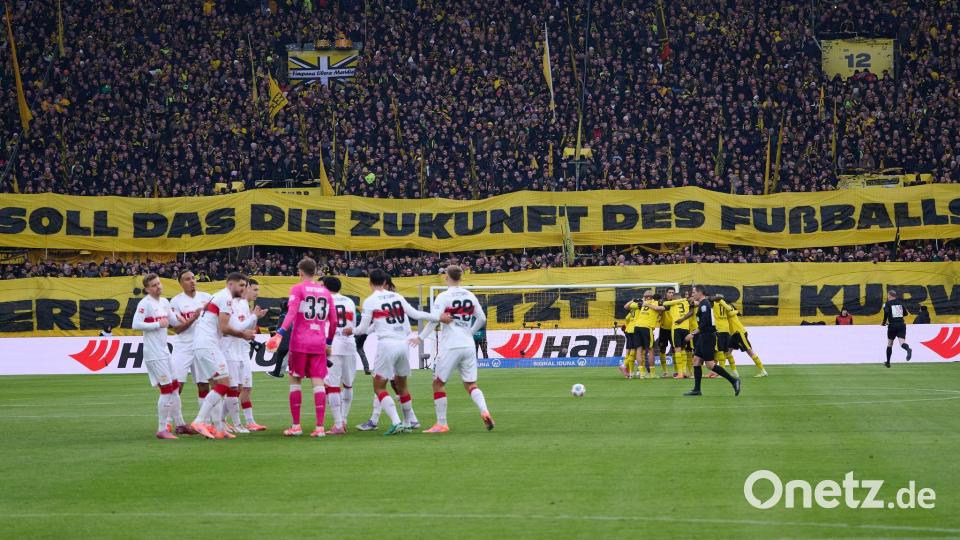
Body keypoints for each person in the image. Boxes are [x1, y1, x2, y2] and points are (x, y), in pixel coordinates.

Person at [344, 269, 450, 436]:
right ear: (385, 282)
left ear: (370, 282)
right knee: (402, 385)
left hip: (386, 345)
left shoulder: (370, 301)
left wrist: (352, 331)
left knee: (379, 386)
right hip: (403, 344)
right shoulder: (397, 296)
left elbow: (363, 328)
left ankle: (396, 422)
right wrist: (438, 317)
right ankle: (408, 422)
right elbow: (415, 314)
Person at [412, 265, 494, 433]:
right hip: (468, 344)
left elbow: (434, 320)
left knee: (438, 383)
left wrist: (420, 337)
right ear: (461, 278)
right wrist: (469, 332)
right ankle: (484, 411)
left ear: (446, 277)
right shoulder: (470, 295)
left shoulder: (443, 296)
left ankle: (441, 424)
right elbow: (482, 318)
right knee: (471, 384)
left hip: (451, 345)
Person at [266, 258, 338, 438]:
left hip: (299, 342)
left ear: (300, 271)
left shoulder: (297, 289)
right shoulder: (326, 292)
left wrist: (280, 332)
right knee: (318, 380)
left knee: (295, 380)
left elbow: (291, 313)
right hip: (318, 342)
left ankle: (296, 426)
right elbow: (334, 321)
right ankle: (320, 427)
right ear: (316, 272)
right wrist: (328, 342)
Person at [190, 272, 255, 439]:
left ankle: (219, 428)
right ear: (230, 284)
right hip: (209, 345)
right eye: (241, 285)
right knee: (225, 384)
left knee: (217, 386)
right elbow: (225, 328)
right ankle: (200, 421)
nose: (243, 289)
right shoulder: (225, 298)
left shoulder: (217, 296)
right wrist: (244, 335)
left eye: (244, 286)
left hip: (203, 344)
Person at [132, 273, 192, 439]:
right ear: (147, 289)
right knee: (167, 390)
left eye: (158, 284)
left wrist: (186, 317)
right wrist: (157, 324)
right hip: (153, 353)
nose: (158, 287)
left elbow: (173, 321)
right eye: (154, 285)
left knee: (174, 387)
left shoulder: (164, 302)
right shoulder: (145, 304)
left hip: (164, 351)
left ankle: (180, 425)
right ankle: (161, 429)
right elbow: (135, 324)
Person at [675, 285, 740, 397]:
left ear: (700, 293)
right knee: (696, 360)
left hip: (707, 337)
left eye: (694, 292)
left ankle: (734, 381)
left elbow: (705, 322)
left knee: (710, 364)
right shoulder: (702, 304)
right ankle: (697, 390)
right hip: (703, 336)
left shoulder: (704, 305)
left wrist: (692, 334)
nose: (692, 294)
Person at [225, 278, 266, 433]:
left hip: (243, 350)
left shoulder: (244, 305)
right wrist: (254, 317)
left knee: (245, 387)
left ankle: (248, 421)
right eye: (254, 289)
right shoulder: (233, 304)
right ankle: (234, 422)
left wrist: (256, 317)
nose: (256, 293)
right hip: (232, 349)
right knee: (236, 387)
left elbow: (248, 328)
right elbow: (237, 327)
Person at [321, 276, 359, 435]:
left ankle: (337, 424)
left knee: (332, 385)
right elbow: (354, 324)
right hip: (349, 345)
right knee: (348, 384)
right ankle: (344, 419)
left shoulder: (323, 301)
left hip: (332, 346)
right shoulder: (349, 301)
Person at [170, 270, 212, 406]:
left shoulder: (207, 297)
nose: (192, 281)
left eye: (193, 278)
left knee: (204, 385)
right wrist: (194, 317)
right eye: (188, 279)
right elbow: (177, 329)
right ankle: (170, 420)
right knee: (177, 385)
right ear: (181, 283)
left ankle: (203, 421)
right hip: (184, 346)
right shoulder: (176, 301)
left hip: (202, 346)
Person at [719, 300, 768, 378]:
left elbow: (731, 312)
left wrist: (722, 303)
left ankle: (763, 370)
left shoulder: (729, 309)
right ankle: (734, 372)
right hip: (734, 334)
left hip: (739, 332)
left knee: (749, 351)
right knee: (728, 353)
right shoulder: (726, 311)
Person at [626, 291, 660, 378]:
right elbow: (660, 309)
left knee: (639, 350)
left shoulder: (640, 304)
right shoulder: (656, 302)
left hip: (636, 327)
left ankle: (641, 373)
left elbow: (626, 306)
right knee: (651, 350)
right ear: (652, 297)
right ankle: (652, 373)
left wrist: (634, 300)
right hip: (646, 328)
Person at [662, 288, 692, 378]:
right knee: (683, 350)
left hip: (676, 328)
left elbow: (664, 303)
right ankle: (684, 371)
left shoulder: (671, 304)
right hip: (686, 328)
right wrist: (684, 299)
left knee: (678, 349)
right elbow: (691, 310)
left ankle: (680, 373)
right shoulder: (686, 303)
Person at [881, 290, 913, 368]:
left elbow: (886, 313)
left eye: (888, 295)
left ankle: (888, 362)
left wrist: (884, 322)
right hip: (902, 325)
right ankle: (908, 349)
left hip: (892, 326)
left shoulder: (887, 304)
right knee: (902, 343)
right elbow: (905, 313)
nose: (887, 297)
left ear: (890, 295)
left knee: (890, 344)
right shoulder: (900, 303)